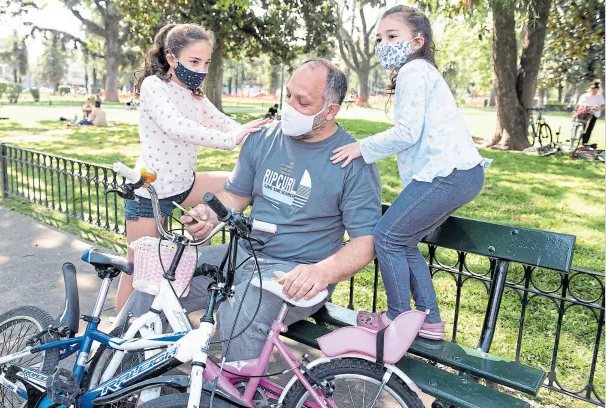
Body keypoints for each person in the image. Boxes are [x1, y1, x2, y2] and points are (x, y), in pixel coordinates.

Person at [120, 59, 381, 362]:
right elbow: (234, 194)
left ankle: (231, 394)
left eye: (303, 102)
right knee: (156, 282)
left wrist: (322, 271)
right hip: (240, 257)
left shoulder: (354, 162)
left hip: (296, 273)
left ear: (330, 111)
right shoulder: (263, 138)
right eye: (289, 96)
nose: (290, 107)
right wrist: (209, 213)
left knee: (238, 315)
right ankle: (124, 381)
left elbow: (365, 244)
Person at [331, 5, 488, 340]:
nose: (383, 44)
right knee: (402, 240)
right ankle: (429, 321)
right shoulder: (420, 70)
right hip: (459, 173)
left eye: (392, 36)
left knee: (387, 236)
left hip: (448, 174)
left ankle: (398, 315)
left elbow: (406, 132)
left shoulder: (414, 71)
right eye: (379, 38)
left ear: (417, 41)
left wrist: (361, 147)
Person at [116, 23, 268, 311]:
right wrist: (228, 140)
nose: (200, 69)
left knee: (245, 185)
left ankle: (216, 229)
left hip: (185, 185)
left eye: (206, 63)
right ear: (172, 58)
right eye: (194, 62)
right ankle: (117, 339)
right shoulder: (154, 87)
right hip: (151, 194)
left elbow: (222, 121)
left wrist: (256, 135)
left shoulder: (195, 92)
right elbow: (177, 126)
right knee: (138, 271)